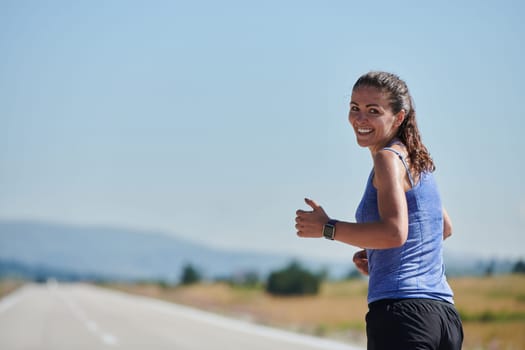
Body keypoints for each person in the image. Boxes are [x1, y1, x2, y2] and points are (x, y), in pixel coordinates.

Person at [295, 71, 463, 350]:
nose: (360, 119)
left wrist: (327, 228)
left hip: (403, 317)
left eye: (373, 111)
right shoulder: (416, 161)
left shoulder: (388, 159)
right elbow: (443, 227)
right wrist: (381, 256)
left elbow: (395, 233)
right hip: (443, 318)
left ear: (398, 118)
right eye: (354, 108)